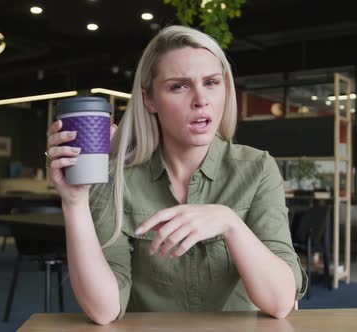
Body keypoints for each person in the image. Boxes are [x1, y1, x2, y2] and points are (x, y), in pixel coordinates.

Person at [45, 25, 307, 325]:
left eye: (211, 82)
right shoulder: (117, 177)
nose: (200, 99)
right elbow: (104, 310)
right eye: (178, 86)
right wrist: (74, 203)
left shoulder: (258, 169)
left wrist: (229, 223)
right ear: (149, 100)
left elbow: (280, 302)